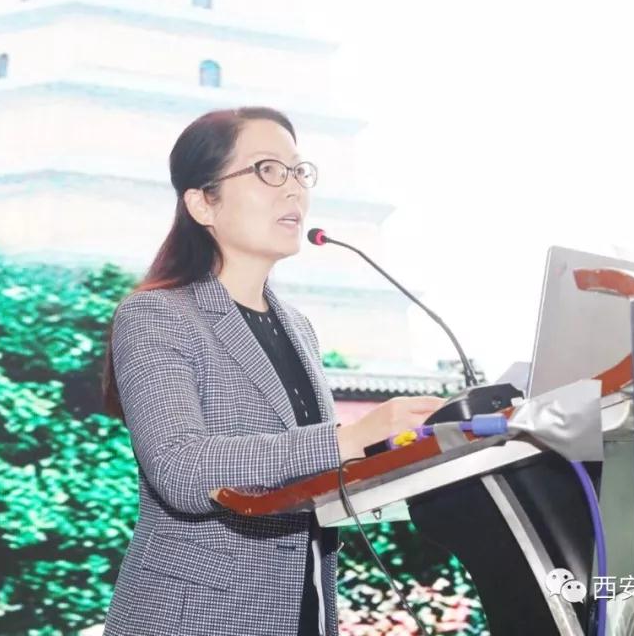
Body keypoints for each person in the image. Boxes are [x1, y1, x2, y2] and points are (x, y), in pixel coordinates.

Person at [101, 107, 445, 636]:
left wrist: (406, 446)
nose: (293, 190)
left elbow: (309, 467)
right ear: (202, 202)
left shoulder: (298, 327)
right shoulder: (156, 314)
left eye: (299, 171)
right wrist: (350, 438)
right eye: (267, 170)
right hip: (197, 618)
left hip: (302, 608)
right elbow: (180, 468)